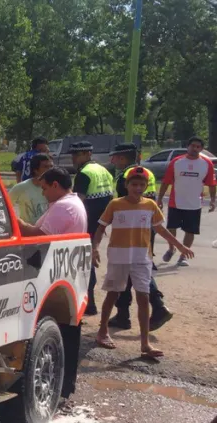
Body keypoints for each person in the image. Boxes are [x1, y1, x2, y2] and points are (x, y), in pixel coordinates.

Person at [92, 167, 193, 360]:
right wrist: (94, 248)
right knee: (113, 294)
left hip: (142, 258)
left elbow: (161, 230)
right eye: (134, 184)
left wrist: (180, 246)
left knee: (143, 297)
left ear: (146, 186)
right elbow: (100, 228)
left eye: (141, 185)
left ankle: (145, 344)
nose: (138, 188)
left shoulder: (150, 205)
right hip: (118, 256)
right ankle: (102, 331)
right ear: (126, 185)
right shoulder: (115, 204)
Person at [108, 145, 171, 332]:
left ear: (124, 158)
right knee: (139, 266)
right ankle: (124, 314)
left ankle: (154, 307)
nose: (114, 161)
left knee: (133, 269)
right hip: (145, 226)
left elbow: (123, 205)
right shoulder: (147, 173)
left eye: (116, 157)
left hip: (132, 228)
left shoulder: (126, 177)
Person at [157, 136, 216, 268]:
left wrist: (213, 200)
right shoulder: (177, 162)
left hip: (194, 204)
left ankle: (183, 256)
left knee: (190, 231)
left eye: (198, 147)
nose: (194, 149)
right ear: (187, 147)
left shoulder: (206, 163)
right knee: (171, 228)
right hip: (175, 202)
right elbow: (166, 181)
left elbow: (212, 184)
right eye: (192, 146)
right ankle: (171, 248)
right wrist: (160, 199)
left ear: (201, 149)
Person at [70, 141, 114, 316]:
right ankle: (90, 302)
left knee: (85, 264)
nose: (74, 158)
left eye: (77, 154)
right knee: (89, 262)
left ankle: (89, 303)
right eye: (73, 154)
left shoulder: (84, 174)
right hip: (100, 223)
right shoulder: (104, 170)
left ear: (88, 154)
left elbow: (77, 202)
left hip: (86, 224)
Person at [16, 167, 87, 236]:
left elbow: (41, 236)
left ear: (55, 185)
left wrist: (17, 223)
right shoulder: (73, 201)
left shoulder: (63, 206)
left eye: (44, 188)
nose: (43, 193)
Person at [8, 153, 52, 222]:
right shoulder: (21, 187)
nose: (50, 170)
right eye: (46, 167)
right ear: (36, 170)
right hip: (28, 231)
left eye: (51, 166)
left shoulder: (55, 188)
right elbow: (6, 207)